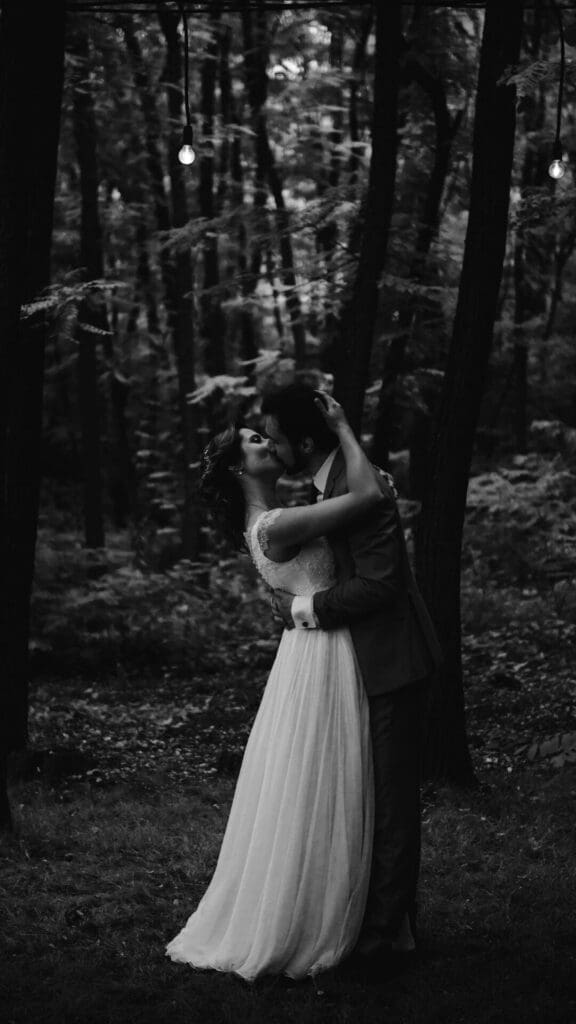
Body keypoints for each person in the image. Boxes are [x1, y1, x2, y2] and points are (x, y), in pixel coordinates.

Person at [165, 394, 382, 982]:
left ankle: (327, 905)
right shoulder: (278, 524)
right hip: (324, 654)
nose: (267, 442)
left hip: (307, 651)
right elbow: (368, 497)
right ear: (241, 469)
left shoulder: (263, 523)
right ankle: (316, 917)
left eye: (266, 436)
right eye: (255, 442)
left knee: (312, 779)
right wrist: (340, 426)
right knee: (327, 777)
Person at [261, 382, 443, 979]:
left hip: (392, 660)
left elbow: (383, 584)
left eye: (278, 438)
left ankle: (387, 942)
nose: (274, 448)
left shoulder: (362, 487)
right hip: (354, 664)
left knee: (390, 807)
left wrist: (304, 611)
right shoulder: (333, 485)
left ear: (305, 441)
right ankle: (375, 921)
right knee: (365, 797)